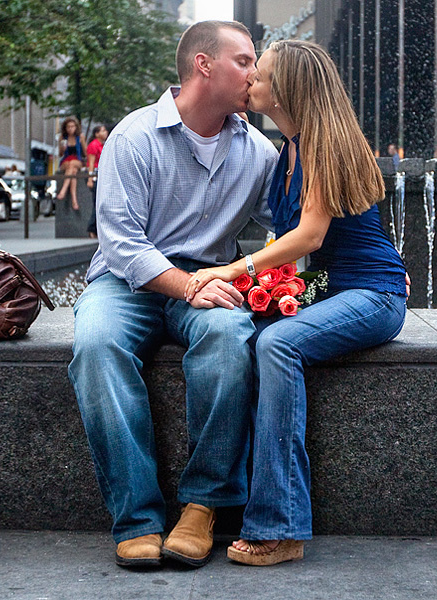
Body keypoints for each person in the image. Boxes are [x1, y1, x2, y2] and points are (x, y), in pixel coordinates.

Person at [186, 40, 408, 566]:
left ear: (284, 89)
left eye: (257, 74)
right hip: (329, 289)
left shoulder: (329, 143)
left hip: (374, 294)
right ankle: (220, 501)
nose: (249, 81)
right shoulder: (288, 148)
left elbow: (308, 237)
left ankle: (281, 526)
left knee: (279, 344)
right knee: (249, 338)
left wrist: (231, 270)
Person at [67, 20, 278, 569]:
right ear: (203, 65)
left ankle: (203, 506)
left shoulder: (258, 151)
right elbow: (121, 243)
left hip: (210, 280)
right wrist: (185, 285)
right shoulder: (133, 136)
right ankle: (136, 517)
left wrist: (369, 265)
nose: (254, 75)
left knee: (231, 339)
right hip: (126, 281)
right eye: (245, 61)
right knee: (95, 346)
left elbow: (299, 223)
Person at [85, 125, 109, 238]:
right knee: (97, 202)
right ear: (96, 133)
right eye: (103, 131)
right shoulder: (94, 145)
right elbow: (91, 162)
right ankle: (92, 229)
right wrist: (90, 178)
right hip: (95, 175)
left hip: (100, 174)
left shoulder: (103, 145)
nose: (105, 132)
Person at [56, 117, 86, 210]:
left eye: (72, 126)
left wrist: (82, 143)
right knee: (73, 171)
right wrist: (62, 148)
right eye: (68, 127)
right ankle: (74, 200)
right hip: (66, 160)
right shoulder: (62, 138)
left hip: (77, 160)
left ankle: (63, 190)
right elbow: (60, 154)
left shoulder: (80, 137)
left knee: (72, 164)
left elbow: (85, 152)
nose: (70, 129)